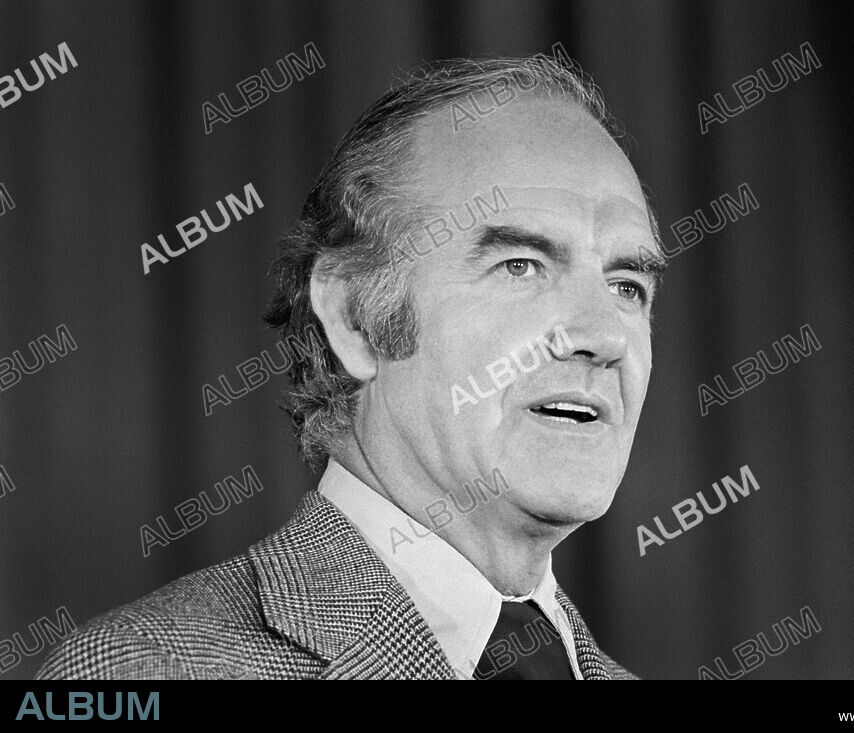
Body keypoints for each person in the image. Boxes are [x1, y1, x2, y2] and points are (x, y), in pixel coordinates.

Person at [37, 52, 667, 680]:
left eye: (626, 286)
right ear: (356, 318)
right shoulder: (148, 669)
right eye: (521, 265)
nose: (603, 336)